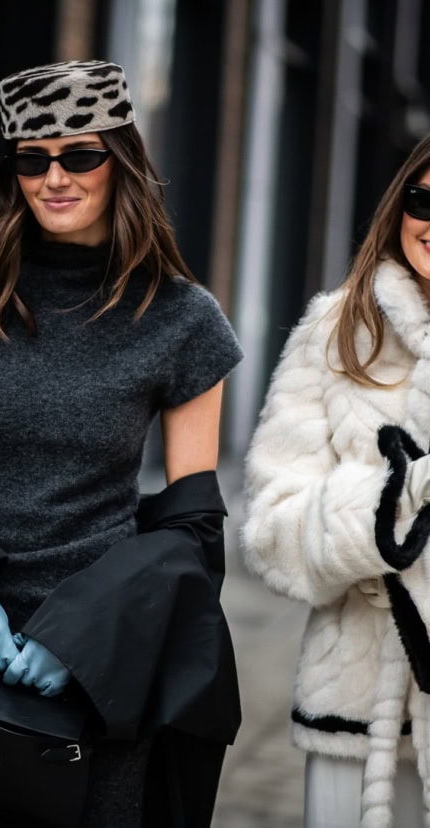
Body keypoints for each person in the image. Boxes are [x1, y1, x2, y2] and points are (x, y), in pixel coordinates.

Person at [0, 59, 244, 827]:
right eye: (32, 159)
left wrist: (82, 637)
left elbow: (191, 521)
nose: (55, 178)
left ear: (122, 162)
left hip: (98, 665)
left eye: (80, 155)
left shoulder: (182, 318)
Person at [242, 131, 430, 828]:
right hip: (360, 712)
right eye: (424, 201)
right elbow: (272, 531)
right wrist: (392, 505)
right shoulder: (339, 329)